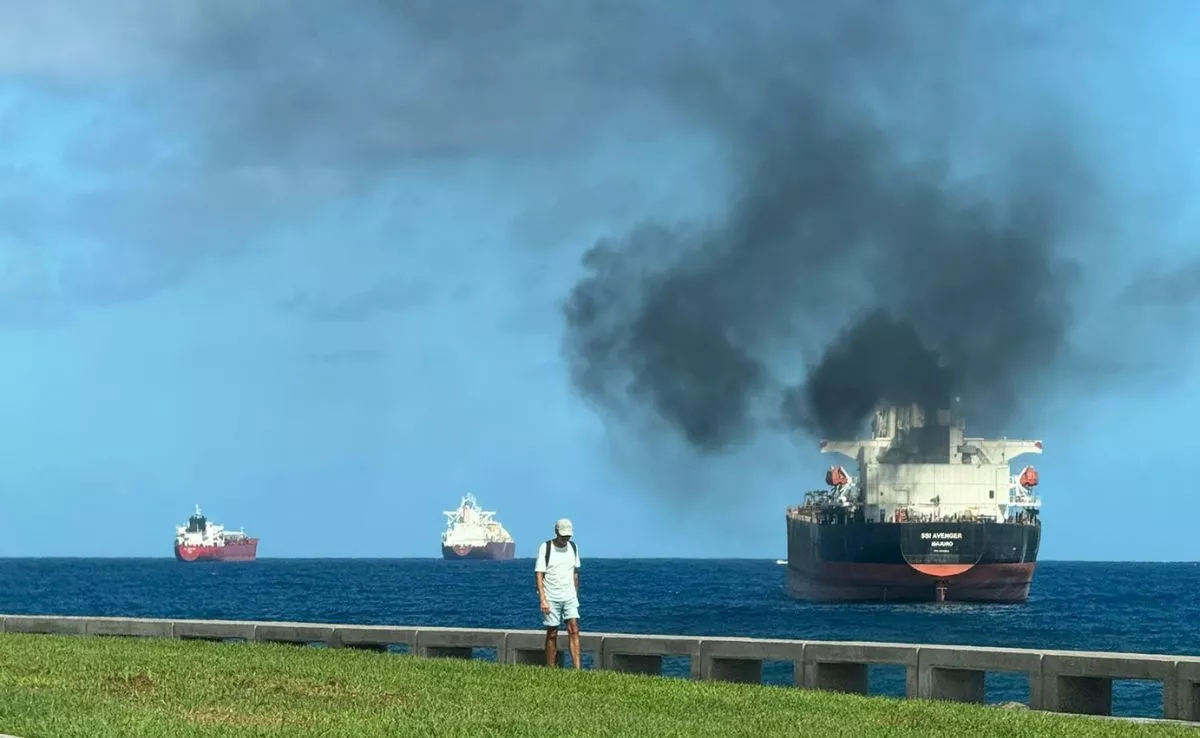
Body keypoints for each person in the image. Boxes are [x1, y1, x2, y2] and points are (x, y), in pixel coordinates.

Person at [534, 518, 581, 669]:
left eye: (568, 536)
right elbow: (539, 574)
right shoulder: (546, 547)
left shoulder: (573, 547)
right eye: (563, 536)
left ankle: (577, 669)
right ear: (556, 532)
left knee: (574, 630)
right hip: (551, 596)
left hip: (569, 596)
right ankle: (551, 667)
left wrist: (575, 593)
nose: (565, 539)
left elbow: (575, 572)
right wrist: (543, 599)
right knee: (552, 632)